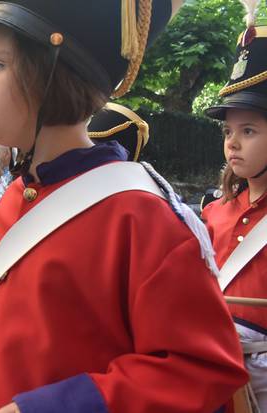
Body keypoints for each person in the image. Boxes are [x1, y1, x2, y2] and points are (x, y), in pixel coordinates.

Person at [0, 2, 248, 412]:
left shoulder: (142, 214)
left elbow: (201, 368)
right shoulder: (19, 194)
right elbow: (26, 309)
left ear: (51, 74)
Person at [202, 11, 267, 411]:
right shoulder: (214, 212)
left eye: (249, 131)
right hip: (210, 369)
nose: (233, 143)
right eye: (229, 131)